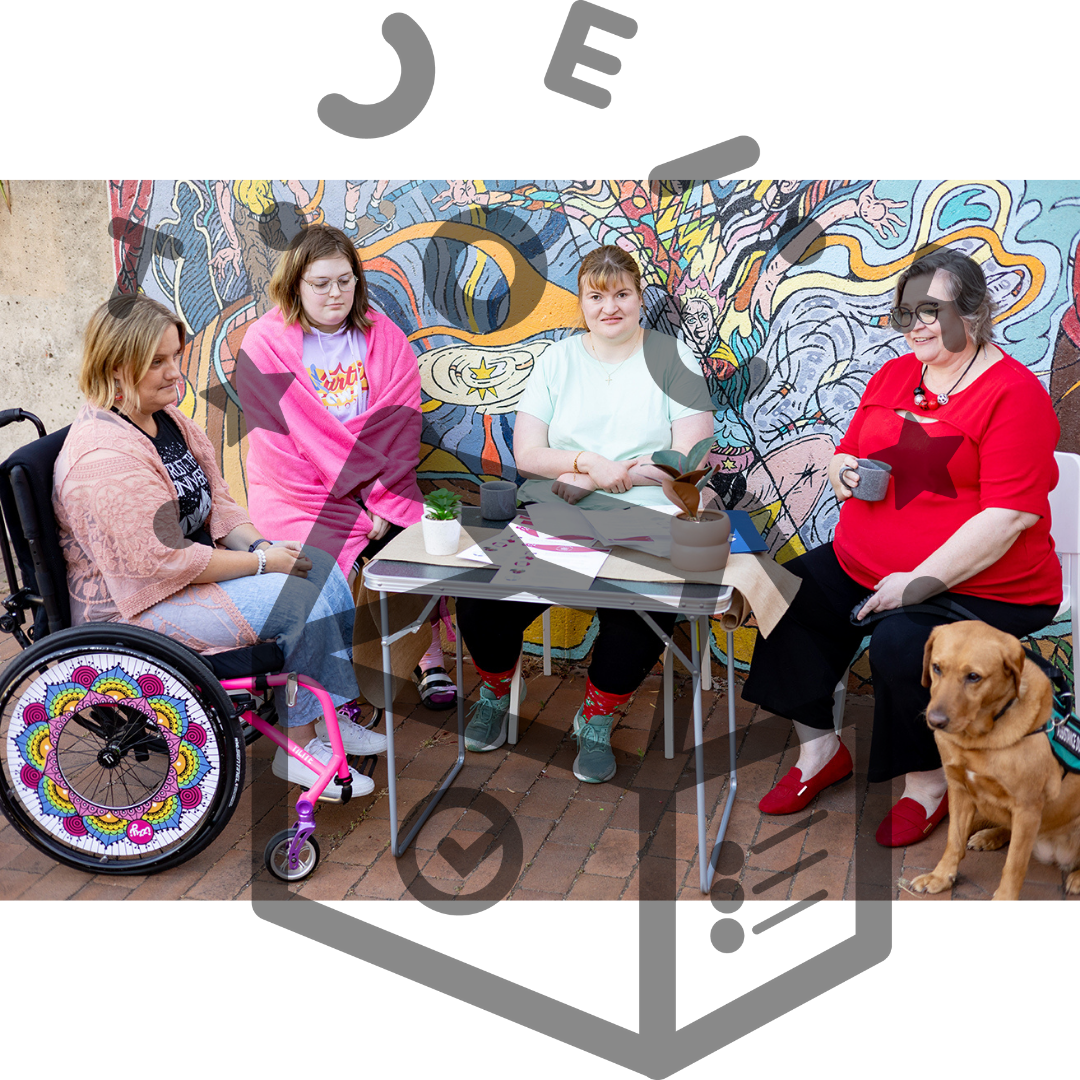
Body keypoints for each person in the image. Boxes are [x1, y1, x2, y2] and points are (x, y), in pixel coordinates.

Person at [742, 246, 1062, 846]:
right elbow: (850, 447)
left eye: (931, 310)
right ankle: (820, 753)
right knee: (781, 594)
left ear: (973, 313)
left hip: (982, 585)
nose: (916, 324)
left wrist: (917, 582)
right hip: (862, 563)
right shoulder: (895, 375)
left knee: (901, 644)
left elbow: (1009, 516)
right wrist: (843, 470)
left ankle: (929, 787)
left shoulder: (1013, 393)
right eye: (906, 311)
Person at [53, 294, 377, 799]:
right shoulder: (102, 460)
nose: (173, 372)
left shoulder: (167, 421)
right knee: (302, 599)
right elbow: (160, 563)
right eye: (156, 362)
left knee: (321, 571)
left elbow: (219, 506)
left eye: (175, 356)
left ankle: (323, 713)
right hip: (134, 605)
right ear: (117, 367)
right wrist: (262, 563)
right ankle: (303, 748)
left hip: (178, 579)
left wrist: (266, 546)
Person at [454, 244, 715, 782]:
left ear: (640, 298)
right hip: (556, 514)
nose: (609, 306)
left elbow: (687, 458)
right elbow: (528, 454)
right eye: (597, 296)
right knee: (480, 600)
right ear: (582, 302)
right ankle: (497, 692)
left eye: (621, 293)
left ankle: (594, 720)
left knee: (641, 615)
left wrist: (592, 475)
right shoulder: (558, 360)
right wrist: (585, 461)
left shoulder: (674, 358)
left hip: (646, 519)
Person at [239, 224, 457, 711]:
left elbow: (401, 427)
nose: (335, 293)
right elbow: (283, 450)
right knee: (316, 570)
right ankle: (328, 685)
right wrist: (360, 507)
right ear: (295, 284)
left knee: (418, 542)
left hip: (380, 484)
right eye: (320, 283)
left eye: (345, 280)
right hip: (298, 494)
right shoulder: (265, 345)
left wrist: (380, 495)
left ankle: (427, 658)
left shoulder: (385, 338)